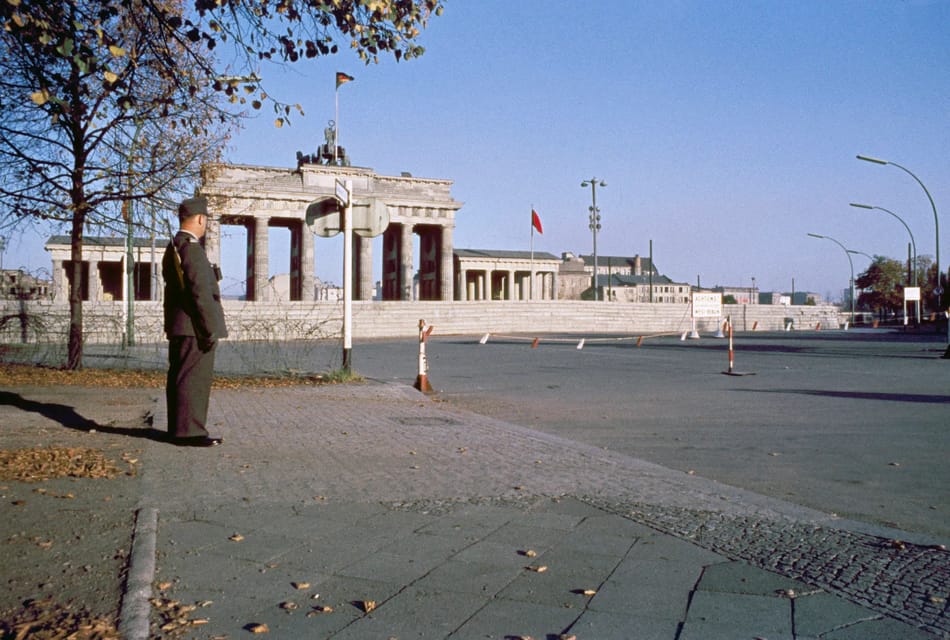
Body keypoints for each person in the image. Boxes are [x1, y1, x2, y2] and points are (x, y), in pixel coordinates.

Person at [162, 196, 228, 446]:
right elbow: (201, 292)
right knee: (193, 381)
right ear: (200, 219)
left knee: (181, 377)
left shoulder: (175, 246)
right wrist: (209, 328)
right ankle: (189, 432)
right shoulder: (191, 249)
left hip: (181, 325)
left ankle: (179, 428)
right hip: (194, 328)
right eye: (206, 220)